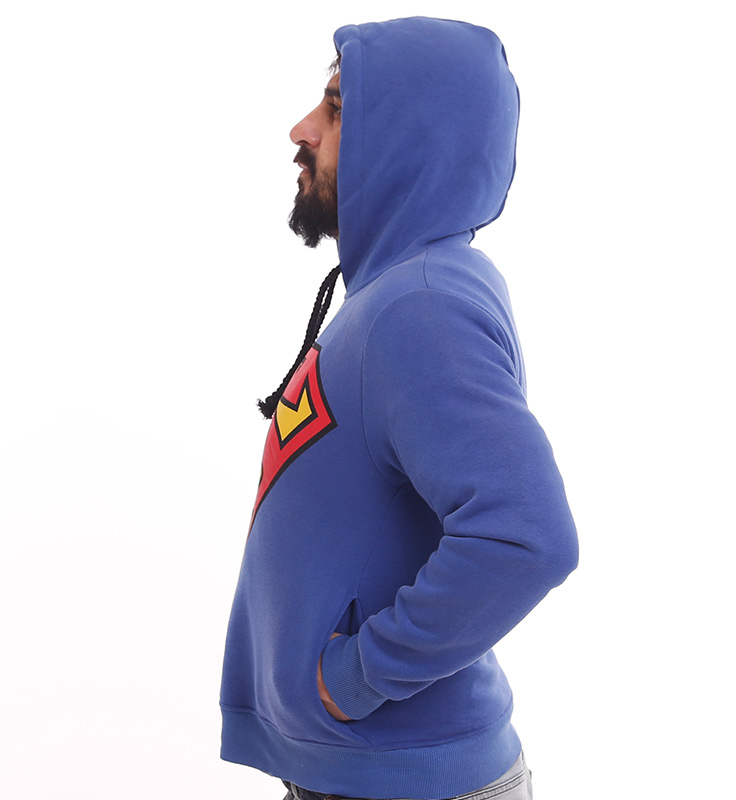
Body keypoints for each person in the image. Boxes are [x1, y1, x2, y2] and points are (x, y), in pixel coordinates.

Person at [220, 17, 578, 800]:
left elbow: (527, 537)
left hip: (407, 782)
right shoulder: (396, 295)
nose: (301, 130)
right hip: (364, 773)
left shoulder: (420, 308)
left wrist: (356, 677)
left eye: (336, 108)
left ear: (408, 136)